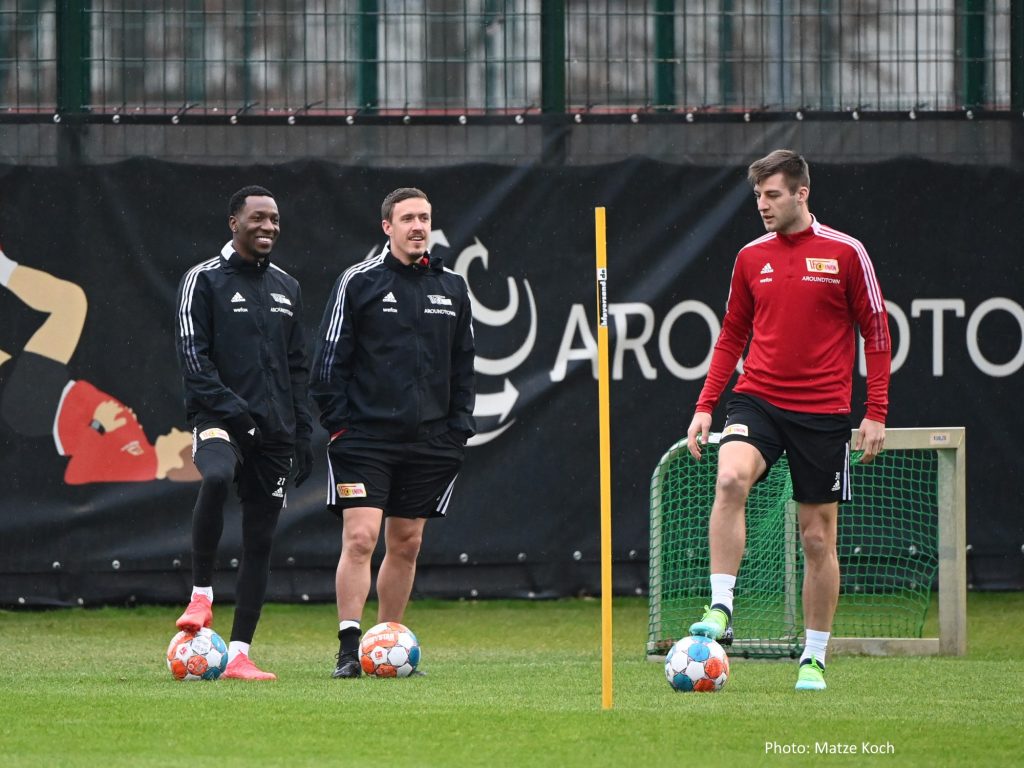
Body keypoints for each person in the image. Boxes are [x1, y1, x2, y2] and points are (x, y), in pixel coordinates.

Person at [684, 150, 891, 691]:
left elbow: (876, 332)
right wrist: (706, 404)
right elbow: (731, 334)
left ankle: (814, 657)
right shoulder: (751, 257)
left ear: (802, 193)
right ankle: (721, 608)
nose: (763, 206)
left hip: (823, 412)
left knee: (817, 540)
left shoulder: (847, 253)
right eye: (757, 197)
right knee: (730, 477)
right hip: (759, 400)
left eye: (772, 195)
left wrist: (875, 412)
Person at [311, 187, 475, 679]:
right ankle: (347, 647)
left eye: (424, 217)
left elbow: (464, 366)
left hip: (430, 443)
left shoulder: (453, 287)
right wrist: (341, 426)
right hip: (364, 439)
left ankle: (386, 645)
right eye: (407, 218)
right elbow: (328, 362)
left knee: (405, 543)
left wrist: (457, 430)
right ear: (388, 227)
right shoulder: (358, 282)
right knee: (360, 539)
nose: (418, 226)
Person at [173, 185, 313, 681]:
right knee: (213, 478)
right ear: (234, 222)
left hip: (273, 434)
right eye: (258, 218)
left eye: (274, 219)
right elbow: (194, 360)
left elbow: (296, 366)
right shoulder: (203, 280)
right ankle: (201, 595)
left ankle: (238, 655)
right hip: (219, 419)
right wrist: (240, 417)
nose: (268, 227)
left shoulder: (287, 287)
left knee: (260, 541)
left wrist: (301, 433)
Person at [0, 249, 197, 484]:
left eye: (182, 438)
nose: (176, 432)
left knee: (70, 303)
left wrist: (99, 424)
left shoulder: (142, 465)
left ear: (177, 460)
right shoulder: (142, 454)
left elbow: (76, 475)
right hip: (44, 400)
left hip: (42, 403)